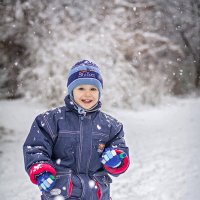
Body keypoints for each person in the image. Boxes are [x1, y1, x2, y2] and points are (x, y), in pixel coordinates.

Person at [23, 60, 130, 200]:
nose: (87, 94)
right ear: (71, 91)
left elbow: (120, 149)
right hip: (62, 193)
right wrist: (41, 169)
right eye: (81, 88)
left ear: (100, 92)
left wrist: (117, 160)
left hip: (97, 195)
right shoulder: (50, 121)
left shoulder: (111, 126)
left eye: (93, 89)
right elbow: (36, 148)